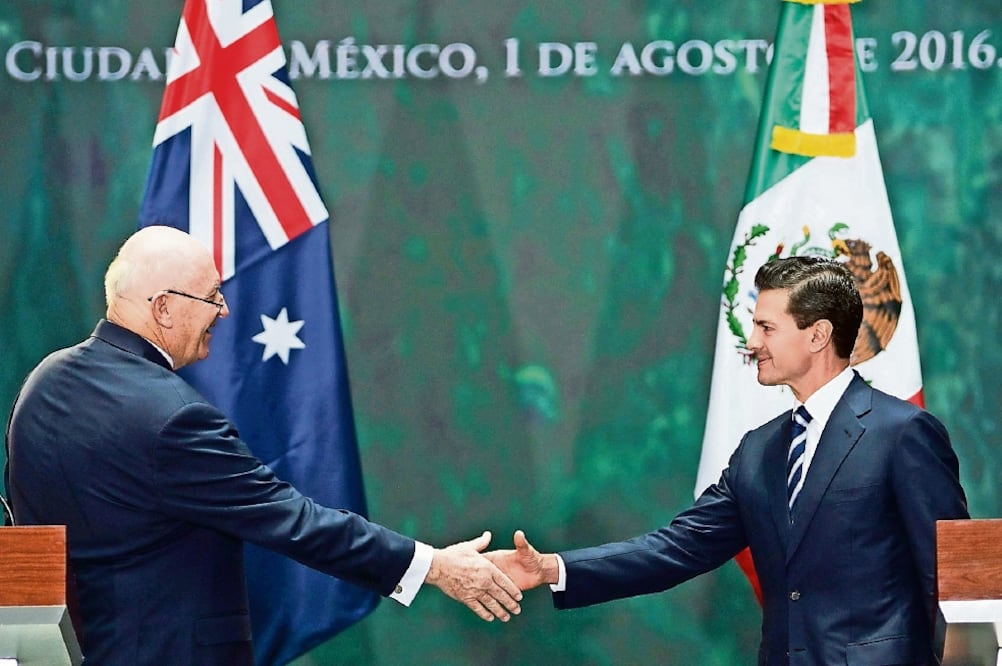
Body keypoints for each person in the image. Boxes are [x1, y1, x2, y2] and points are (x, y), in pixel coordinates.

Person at [4, 225, 522, 665]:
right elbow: (294, 521)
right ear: (163, 309)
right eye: (211, 297)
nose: (224, 311)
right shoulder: (174, 417)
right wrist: (434, 566)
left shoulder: (42, 385)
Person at [487, 256, 969, 665]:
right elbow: (674, 549)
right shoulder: (758, 451)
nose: (752, 342)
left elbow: (954, 576)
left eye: (766, 327)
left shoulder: (902, 433)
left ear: (818, 335)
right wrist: (552, 568)